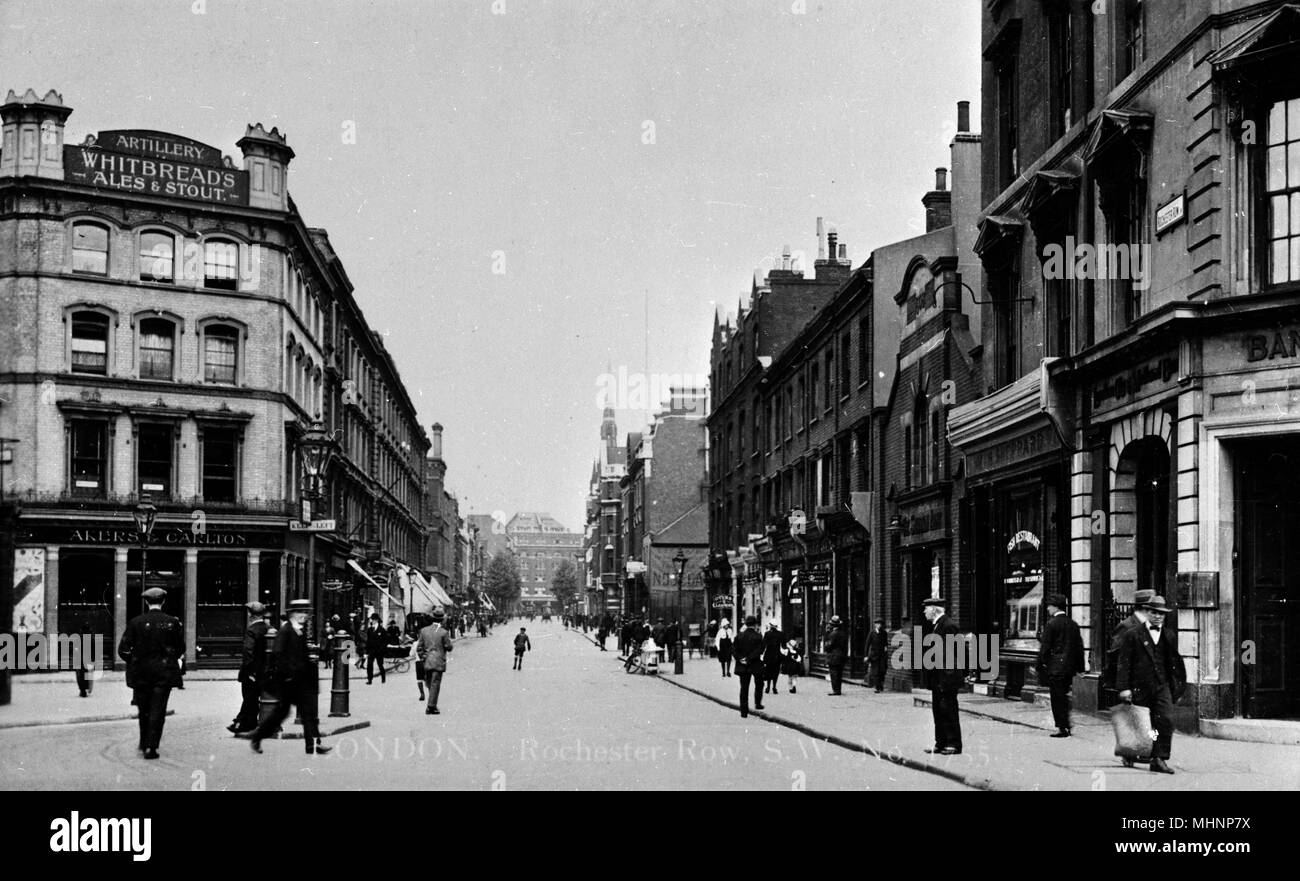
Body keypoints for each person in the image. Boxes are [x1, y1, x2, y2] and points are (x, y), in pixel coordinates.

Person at [1111, 589, 1184, 774]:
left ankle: (1158, 758)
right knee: (1141, 723)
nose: (1158, 616)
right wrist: (1124, 688)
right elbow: (1124, 662)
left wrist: (1176, 687)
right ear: (1147, 612)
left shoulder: (1169, 636)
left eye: (1162, 614)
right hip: (1139, 687)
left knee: (1165, 721)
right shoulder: (1133, 634)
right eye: (1154, 612)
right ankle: (1130, 751)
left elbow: (1174, 662)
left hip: (1162, 686)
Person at [250, 599, 330, 756]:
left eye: (306, 612)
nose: (304, 615)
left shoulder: (299, 630)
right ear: (292, 614)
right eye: (301, 612)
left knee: (308, 712)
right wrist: (288, 674)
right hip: (289, 682)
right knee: (283, 713)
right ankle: (257, 736)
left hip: (300, 682)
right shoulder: (286, 630)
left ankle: (312, 745)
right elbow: (277, 654)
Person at [117, 587, 184, 760]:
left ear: (146, 602)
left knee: (144, 709)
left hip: (141, 674)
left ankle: (143, 741)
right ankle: (151, 747)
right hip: (164, 674)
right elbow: (180, 648)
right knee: (158, 710)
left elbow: (123, 649)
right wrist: (168, 660)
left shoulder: (136, 622)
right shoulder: (172, 623)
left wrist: (135, 661)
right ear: (163, 601)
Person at [1037, 593, 1085, 738]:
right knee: (1063, 695)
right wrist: (1081, 668)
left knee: (1057, 698)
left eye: (1049, 606)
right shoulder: (1073, 624)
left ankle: (1062, 727)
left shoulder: (1051, 624)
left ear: (1055, 607)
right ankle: (1066, 724)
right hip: (1069, 668)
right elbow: (1079, 647)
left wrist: (1040, 664)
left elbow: (1045, 647)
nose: (1048, 609)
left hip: (1056, 668)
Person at [921, 597, 963, 756]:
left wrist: (946, 679)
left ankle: (953, 743)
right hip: (938, 679)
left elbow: (953, 655)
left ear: (934, 609)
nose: (924, 611)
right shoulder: (938, 625)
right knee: (938, 711)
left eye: (926, 608)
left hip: (946, 679)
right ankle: (941, 742)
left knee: (949, 711)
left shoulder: (948, 626)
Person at [229, 601, 270, 734]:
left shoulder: (251, 630)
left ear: (250, 615)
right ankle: (243, 722)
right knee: (253, 698)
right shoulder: (268, 628)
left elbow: (248, 652)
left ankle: (243, 723)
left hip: (252, 671)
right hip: (265, 670)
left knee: (249, 697)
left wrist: (249, 672)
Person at [415, 608, 454, 715]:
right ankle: (431, 707)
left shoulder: (424, 631)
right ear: (442, 620)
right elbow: (448, 646)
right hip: (438, 661)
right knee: (435, 684)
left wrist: (423, 657)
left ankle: (432, 703)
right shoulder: (444, 632)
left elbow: (419, 648)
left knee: (429, 683)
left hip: (427, 661)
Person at [733, 616, 765, 717]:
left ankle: (744, 711)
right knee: (759, 684)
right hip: (755, 664)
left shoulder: (739, 636)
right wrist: (749, 658)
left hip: (743, 666)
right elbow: (760, 650)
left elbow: (734, 650)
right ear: (755, 624)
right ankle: (758, 703)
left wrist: (741, 658)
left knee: (744, 688)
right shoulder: (759, 636)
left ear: (746, 624)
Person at [825, 616, 848, 696]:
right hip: (841, 656)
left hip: (833, 657)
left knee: (834, 674)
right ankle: (839, 689)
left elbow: (829, 646)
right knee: (839, 674)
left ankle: (836, 690)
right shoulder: (843, 633)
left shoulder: (832, 634)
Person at [365, 613, 389, 684]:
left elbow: (385, 641)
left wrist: (381, 649)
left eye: (373, 620)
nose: (372, 621)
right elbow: (368, 641)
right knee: (369, 665)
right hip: (371, 650)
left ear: (377, 620)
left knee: (380, 665)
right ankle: (370, 679)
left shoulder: (382, 630)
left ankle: (383, 678)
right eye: (372, 619)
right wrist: (366, 652)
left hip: (379, 651)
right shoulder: (369, 630)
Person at [761, 619, 784, 695]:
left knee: (768, 671)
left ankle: (768, 687)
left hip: (769, 655)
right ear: (776, 626)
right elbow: (783, 645)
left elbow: (764, 645)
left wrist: (761, 654)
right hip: (777, 655)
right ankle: (774, 687)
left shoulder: (767, 634)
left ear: (770, 626)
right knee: (776, 671)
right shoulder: (780, 634)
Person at [866, 619, 889, 693]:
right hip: (874, 655)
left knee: (882, 671)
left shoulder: (884, 633)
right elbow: (867, 644)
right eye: (877, 624)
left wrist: (886, 652)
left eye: (880, 624)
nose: (879, 625)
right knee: (875, 672)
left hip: (882, 655)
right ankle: (877, 687)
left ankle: (881, 684)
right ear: (875, 625)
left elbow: (886, 644)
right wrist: (866, 655)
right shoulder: (872, 633)